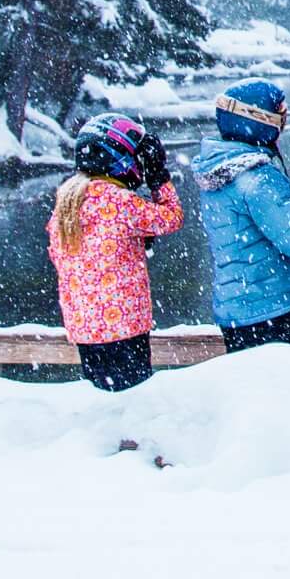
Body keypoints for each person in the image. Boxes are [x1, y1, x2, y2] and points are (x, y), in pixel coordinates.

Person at [194, 78, 290, 352]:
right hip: (267, 308)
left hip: (235, 306)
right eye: (279, 116)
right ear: (261, 121)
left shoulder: (215, 171)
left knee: (248, 388)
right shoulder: (259, 180)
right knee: (275, 390)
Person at [46, 113, 182, 392]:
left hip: (85, 329)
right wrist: (159, 178)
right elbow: (171, 217)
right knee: (132, 401)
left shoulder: (65, 204)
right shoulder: (121, 202)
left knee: (102, 402)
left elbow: (60, 255)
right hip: (124, 327)